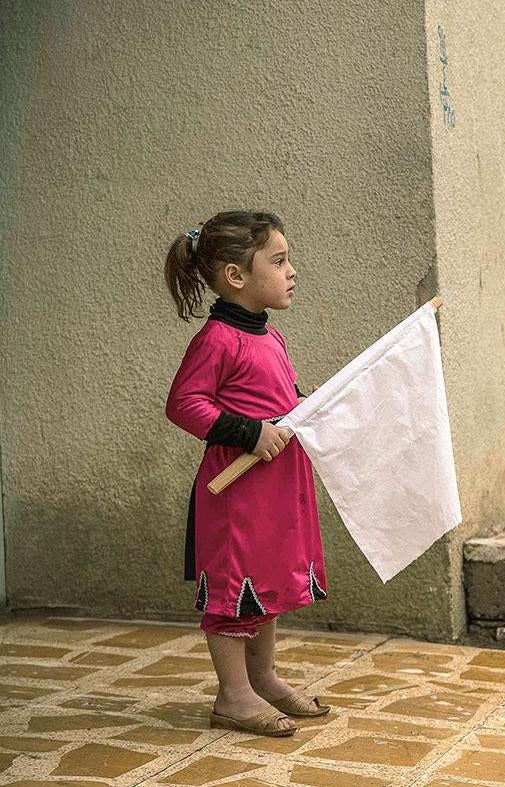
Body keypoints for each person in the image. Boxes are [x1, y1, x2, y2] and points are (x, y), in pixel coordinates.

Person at [164, 210, 330, 737]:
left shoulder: (268, 337)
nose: (291, 271)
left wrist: (301, 405)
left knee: (264, 581)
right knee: (235, 587)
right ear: (237, 276)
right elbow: (184, 403)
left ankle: (263, 677)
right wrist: (249, 432)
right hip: (236, 492)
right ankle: (233, 696)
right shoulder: (217, 339)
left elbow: (272, 399)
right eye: (278, 261)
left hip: (273, 489)